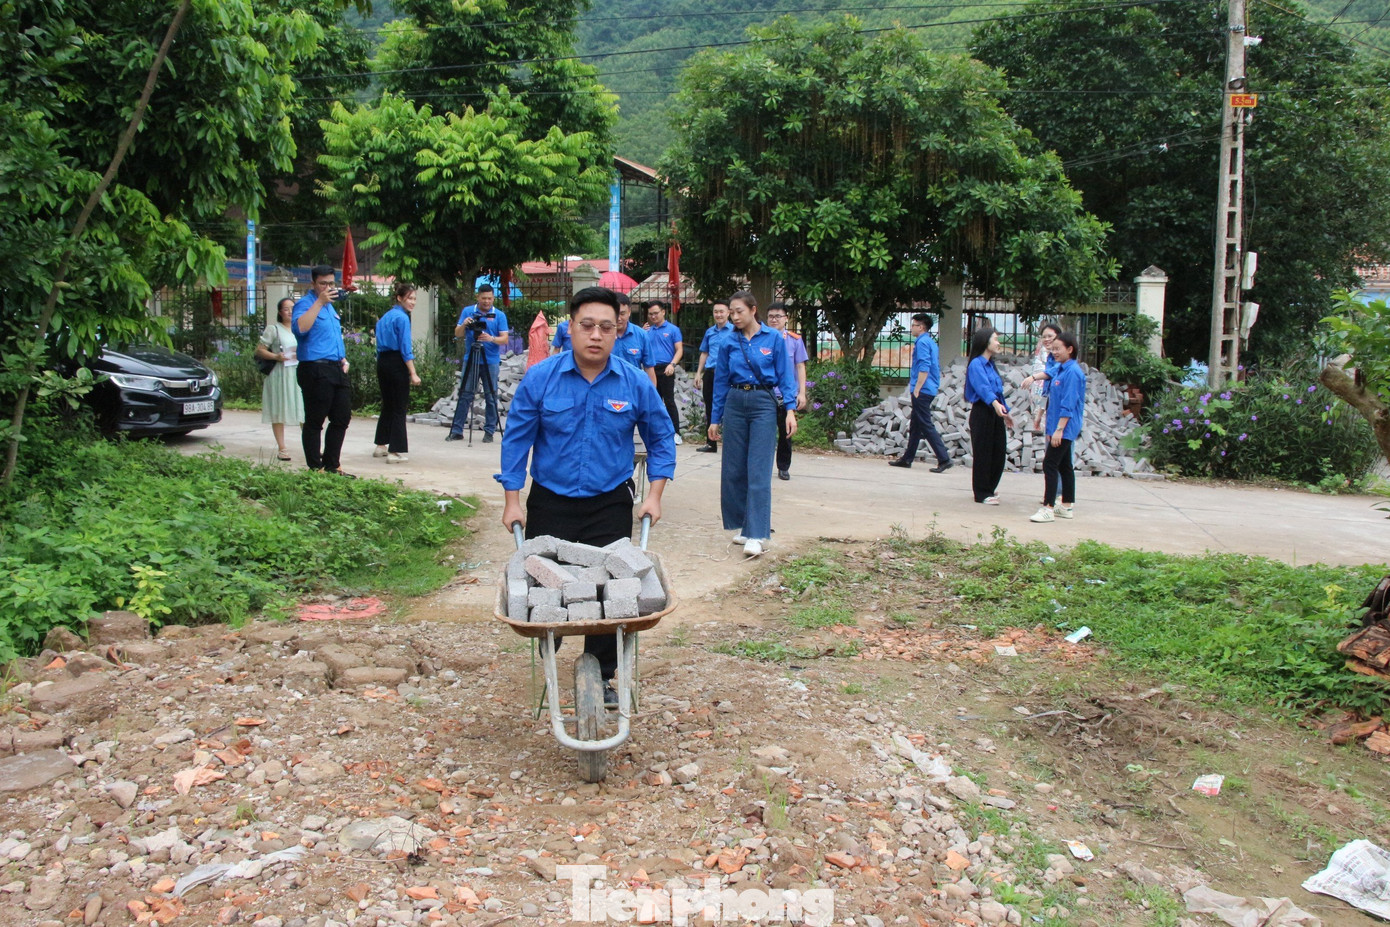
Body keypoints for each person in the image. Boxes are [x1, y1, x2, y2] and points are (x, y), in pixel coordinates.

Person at [499, 286, 675, 702]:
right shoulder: (542, 378)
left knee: (613, 590)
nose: (596, 335)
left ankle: (606, 674)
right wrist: (512, 501)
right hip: (551, 501)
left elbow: (661, 438)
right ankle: (551, 656)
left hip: (609, 502)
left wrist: (655, 495)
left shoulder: (633, 382)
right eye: (587, 326)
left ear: (619, 331)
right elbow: (516, 442)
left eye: (606, 327)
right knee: (548, 590)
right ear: (571, 328)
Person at [707, 290, 798, 557]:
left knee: (758, 468)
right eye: (731, 312)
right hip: (735, 401)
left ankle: (758, 533)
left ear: (753, 310)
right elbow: (721, 381)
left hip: (763, 403)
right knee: (734, 469)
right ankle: (745, 527)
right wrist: (715, 419)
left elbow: (786, 376)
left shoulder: (774, 338)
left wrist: (790, 410)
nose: (734, 316)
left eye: (739, 311)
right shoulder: (727, 341)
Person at [292, 265, 352, 473]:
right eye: (323, 284)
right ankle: (315, 467)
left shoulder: (330, 307)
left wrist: (343, 358)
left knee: (342, 417)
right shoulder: (306, 304)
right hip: (315, 370)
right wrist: (318, 302)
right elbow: (300, 328)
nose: (328, 287)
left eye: (331, 283)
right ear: (313, 284)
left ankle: (332, 465)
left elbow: (330, 337)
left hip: (336, 368)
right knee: (316, 420)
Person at [1030, 332, 1085, 523]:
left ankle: (1048, 507)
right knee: (1064, 465)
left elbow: (1069, 403)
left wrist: (1060, 429)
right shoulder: (1061, 369)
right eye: (1052, 349)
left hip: (1065, 427)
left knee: (1050, 464)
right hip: (1057, 425)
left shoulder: (1073, 373)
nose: (1054, 352)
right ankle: (1067, 505)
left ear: (1070, 349)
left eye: (1057, 349)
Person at [888, 312, 952, 473]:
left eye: (914, 325)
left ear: (921, 327)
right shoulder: (929, 341)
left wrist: (916, 388)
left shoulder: (922, 343)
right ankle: (907, 459)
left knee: (925, 423)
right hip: (928, 388)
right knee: (916, 425)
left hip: (922, 389)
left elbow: (924, 367)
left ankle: (944, 459)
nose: (912, 328)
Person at [447, 284, 509, 443]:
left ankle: (489, 431)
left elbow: (505, 339)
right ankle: (457, 430)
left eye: (490, 298)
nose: (487, 302)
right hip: (471, 358)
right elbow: (458, 333)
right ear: (478, 297)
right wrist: (464, 324)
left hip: (491, 361)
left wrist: (491, 338)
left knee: (490, 395)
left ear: (493, 298)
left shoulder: (499, 315)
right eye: (484, 299)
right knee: (465, 394)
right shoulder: (468, 311)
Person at [373, 282, 422, 464]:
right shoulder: (402, 318)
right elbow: (405, 348)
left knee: (388, 404)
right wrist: (413, 372)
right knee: (399, 407)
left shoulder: (385, 317)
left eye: (414, 298)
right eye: (409, 298)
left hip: (383, 362)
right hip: (396, 362)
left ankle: (380, 445)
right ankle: (395, 451)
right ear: (400, 298)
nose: (413, 302)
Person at [965, 326, 1014, 505]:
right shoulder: (976, 364)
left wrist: (1005, 411)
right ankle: (981, 492)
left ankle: (990, 488)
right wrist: (995, 405)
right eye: (995, 339)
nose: (998, 342)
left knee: (998, 452)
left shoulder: (991, 365)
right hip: (982, 411)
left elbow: (998, 391)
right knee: (983, 453)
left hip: (995, 411)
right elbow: (983, 388)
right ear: (985, 342)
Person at [255, 297, 304, 461]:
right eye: (286, 309)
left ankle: (311, 446)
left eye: (292, 308)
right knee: (278, 409)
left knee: (304, 409)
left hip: (299, 371)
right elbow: (259, 350)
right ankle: (282, 448)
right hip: (280, 374)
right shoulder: (273, 329)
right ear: (280, 312)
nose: (290, 311)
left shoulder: (301, 327)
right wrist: (276, 356)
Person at [694, 301, 732, 453]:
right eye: (716, 312)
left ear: (728, 312)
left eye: (721, 311)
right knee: (710, 407)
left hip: (728, 375)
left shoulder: (735, 331)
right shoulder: (710, 332)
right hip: (711, 373)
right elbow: (705, 352)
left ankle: (730, 442)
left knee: (729, 407)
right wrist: (698, 373)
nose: (719, 315)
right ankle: (711, 443)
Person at [645, 300, 684, 444]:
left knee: (669, 401)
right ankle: (655, 432)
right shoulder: (647, 331)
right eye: (650, 314)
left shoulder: (673, 329)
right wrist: (642, 333)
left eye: (656, 313)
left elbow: (679, 349)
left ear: (663, 312)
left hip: (667, 368)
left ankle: (675, 433)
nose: (653, 316)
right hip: (651, 369)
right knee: (653, 401)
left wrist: (672, 364)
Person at [1021, 323, 1062, 432]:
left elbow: (1053, 372)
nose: (1046, 339)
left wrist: (1033, 377)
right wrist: (1040, 414)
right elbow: (1046, 391)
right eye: (1044, 337)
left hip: (1061, 415)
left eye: (1050, 336)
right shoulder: (1049, 358)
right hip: (1051, 413)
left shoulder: (1064, 360)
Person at [612, 293, 656, 384]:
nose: (618, 318)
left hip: (634, 389)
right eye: (615, 313)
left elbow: (649, 368)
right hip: (608, 389)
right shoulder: (602, 334)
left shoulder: (641, 335)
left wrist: (651, 395)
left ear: (629, 312)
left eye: (622, 313)